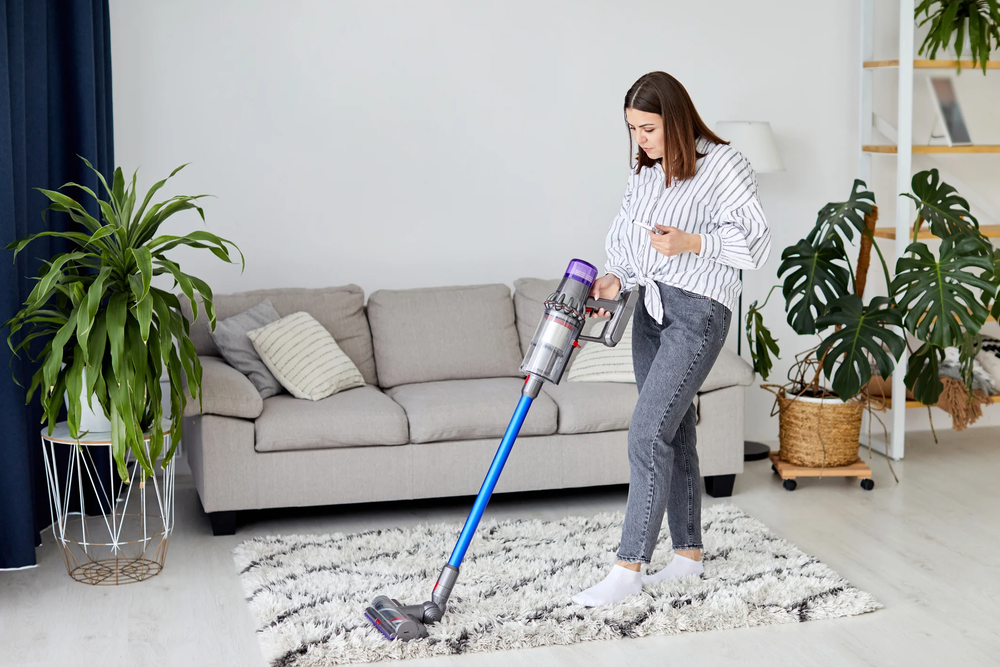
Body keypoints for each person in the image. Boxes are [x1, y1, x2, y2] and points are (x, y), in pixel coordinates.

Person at [572, 71, 771, 607]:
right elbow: (629, 244)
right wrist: (615, 278)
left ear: (676, 119)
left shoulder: (724, 164)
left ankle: (627, 569)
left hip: (698, 313)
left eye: (649, 128)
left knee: (646, 433)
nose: (640, 140)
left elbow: (756, 245)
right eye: (632, 129)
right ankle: (687, 558)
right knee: (675, 432)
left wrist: (693, 242)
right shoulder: (645, 172)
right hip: (649, 309)